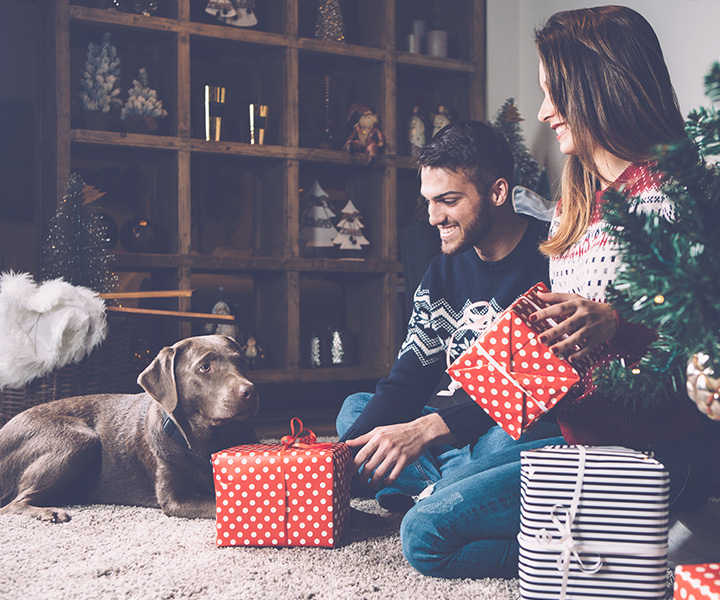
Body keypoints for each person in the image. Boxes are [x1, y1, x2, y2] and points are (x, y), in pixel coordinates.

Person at [337, 120, 565, 576]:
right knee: (354, 411)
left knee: (511, 440)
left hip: (510, 429)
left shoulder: (552, 259)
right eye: (429, 201)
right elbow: (407, 380)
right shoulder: (443, 271)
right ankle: (445, 493)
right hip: (450, 437)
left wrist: (423, 431)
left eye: (449, 200)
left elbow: (534, 391)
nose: (433, 217)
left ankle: (426, 494)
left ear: (498, 192)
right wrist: (334, 462)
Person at [529, 4, 715, 564]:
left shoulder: (684, 192)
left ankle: (642, 545)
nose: (543, 112)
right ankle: (637, 538)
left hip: (654, 449)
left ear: (595, 86)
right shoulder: (576, 204)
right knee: (436, 463)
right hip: (575, 434)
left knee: (429, 536)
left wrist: (617, 324)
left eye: (553, 93)